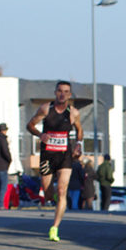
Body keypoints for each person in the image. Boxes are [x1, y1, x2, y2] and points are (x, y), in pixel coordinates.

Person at [26, 81, 84, 241]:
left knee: (62, 189)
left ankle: (55, 227)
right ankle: (55, 199)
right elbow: (30, 125)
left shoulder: (73, 113)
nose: (62, 94)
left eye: (66, 92)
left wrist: (79, 144)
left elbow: (79, 129)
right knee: (47, 192)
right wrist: (40, 134)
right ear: (55, 92)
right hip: (47, 155)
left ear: (69, 95)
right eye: (60, 91)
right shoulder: (46, 109)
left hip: (65, 155)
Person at [68, 143, 85, 210]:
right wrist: (82, 183)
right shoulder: (78, 165)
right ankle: (74, 210)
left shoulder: (69, 164)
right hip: (77, 184)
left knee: (71, 198)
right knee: (75, 199)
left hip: (70, 183)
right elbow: (81, 175)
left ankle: (71, 208)